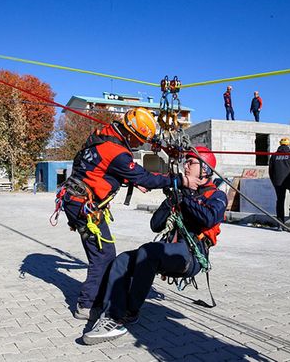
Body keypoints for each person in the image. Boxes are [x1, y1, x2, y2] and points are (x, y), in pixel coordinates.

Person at [57, 108, 203, 321]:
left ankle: (95, 297)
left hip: (74, 197)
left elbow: (101, 167)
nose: (138, 145)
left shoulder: (104, 133)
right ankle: (86, 305)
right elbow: (145, 177)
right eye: (138, 141)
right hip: (83, 204)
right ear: (132, 134)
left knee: (103, 253)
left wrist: (128, 178)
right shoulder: (118, 153)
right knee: (104, 255)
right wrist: (180, 180)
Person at [82, 146, 227, 345]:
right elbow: (155, 225)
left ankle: (128, 313)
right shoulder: (180, 193)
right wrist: (170, 201)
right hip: (169, 251)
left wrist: (185, 198)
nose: (185, 166)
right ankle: (111, 313)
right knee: (123, 259)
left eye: (191, 162)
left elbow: (209, 218)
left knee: (148, 252)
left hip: (191, 256)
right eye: (186, 162)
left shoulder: (217, 196)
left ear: (205, 169)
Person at [269, 138, 290, 227]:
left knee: (280, 200)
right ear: (288, 145)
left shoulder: (274, 156)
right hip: (289, 180)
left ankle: (280, 222)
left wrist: (273, 181)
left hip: (278, 181)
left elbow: (270, 170)